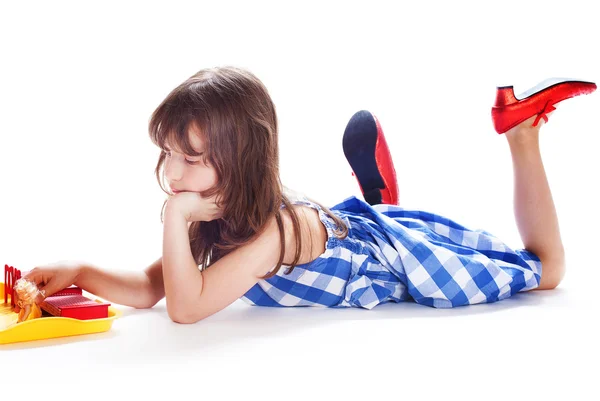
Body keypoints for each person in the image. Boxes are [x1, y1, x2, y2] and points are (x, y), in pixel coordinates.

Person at [20, 68, 596, 323]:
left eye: (190, 159)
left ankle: (520, 133)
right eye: (167, 152)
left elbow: (187, 308)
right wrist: (80, 271)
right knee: (355, 219)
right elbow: (155, 287)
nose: (171, 173)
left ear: (238, 162)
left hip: (382, 263)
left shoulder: (270, 235)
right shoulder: (217, 208)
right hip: (335, 235)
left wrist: (174, 215)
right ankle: (376, 198)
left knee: (546, 270)